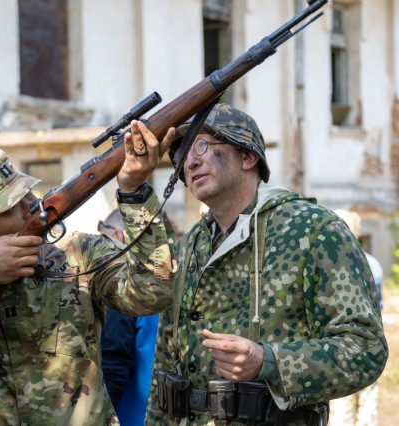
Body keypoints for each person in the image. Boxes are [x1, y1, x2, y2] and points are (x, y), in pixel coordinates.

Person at [145, 103, 388, 425]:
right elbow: (166, 364)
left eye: (202, 144)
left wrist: (269, 361)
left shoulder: (313, 231)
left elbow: (365, 349)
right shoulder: (188, 247)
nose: (190, 161)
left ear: (248, 157)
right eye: (180, 155)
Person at [0, 118, 177, 425]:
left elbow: (154, 294)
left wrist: (133, 192)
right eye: (11, 205)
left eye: (27, 192)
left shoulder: (79, 255)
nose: (31, 205)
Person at [99, 208, 161, 426]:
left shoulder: (123, 286)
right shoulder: (168, 280)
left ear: (119, 236)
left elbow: (113, 362)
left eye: (102, 233)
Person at [328, 209, 385, 426]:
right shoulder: (374, 263)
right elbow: (379, 305)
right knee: (368, 405)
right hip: (372, 342)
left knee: (341, 407)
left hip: (342, 343)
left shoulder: (334, 264)